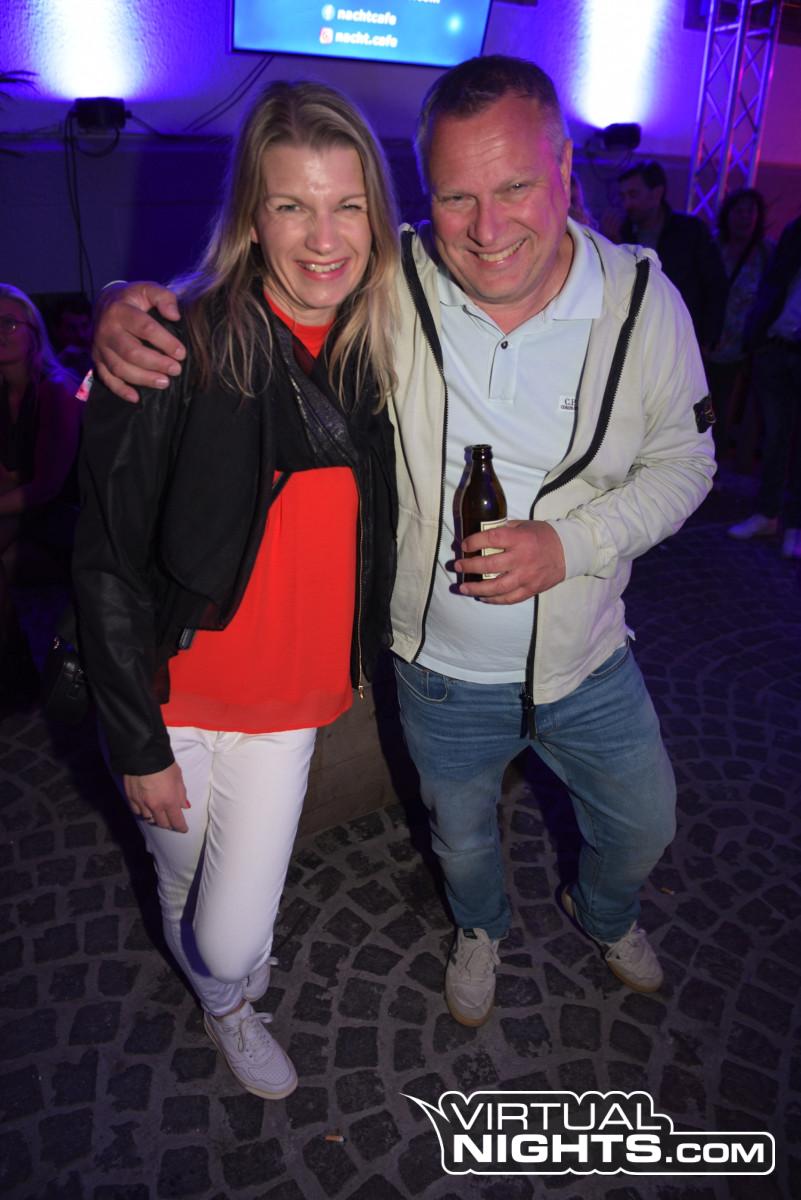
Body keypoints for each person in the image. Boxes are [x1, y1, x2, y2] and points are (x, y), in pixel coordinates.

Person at [91, 56, 716, 1030]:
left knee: (645, 824)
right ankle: (477, 931)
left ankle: (605, 912)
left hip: (587, 653)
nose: (488, 228)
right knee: (458, 840)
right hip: (436, 669)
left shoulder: (640, 302)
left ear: (564, 166)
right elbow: (257, 293)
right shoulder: (397, 285)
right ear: (425, 197)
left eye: (515, 186)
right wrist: (124, 304)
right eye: (457, 196)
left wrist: (575, 542)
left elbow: (687, 461)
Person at [72, 80, 398, 1098]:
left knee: (227, 933)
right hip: (171, 697)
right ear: (252, 218)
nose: (323, 239)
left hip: (287, 705)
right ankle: (230, 1006)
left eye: (347, 206)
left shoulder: (383, 346)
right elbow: (105, 556)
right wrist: (136, 744)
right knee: (178, 878)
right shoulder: (177, 346)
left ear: (378, 219)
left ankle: (222, 989)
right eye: (292, 205)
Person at [0, 284, 82, 708]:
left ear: (34, 333)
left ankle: (18, 678)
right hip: (27, 516)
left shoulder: (56, 390)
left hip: (70, 522)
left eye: (8, 323)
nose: (0, 332)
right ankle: (18, 677)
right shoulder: (4, 394)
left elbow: (48, 487)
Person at [728, 213, 801, 558]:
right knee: (775, 439)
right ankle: (768, 513)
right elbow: (773, 285)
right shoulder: (796, 231)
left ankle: (795, 524)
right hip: (776, 346)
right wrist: (757, 337)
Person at [617, 160, 727, 351]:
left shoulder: (690, 231)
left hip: (681, 337)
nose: (627, 204)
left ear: (656, 194)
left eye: (633, 195)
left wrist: (708, 338)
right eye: (623, 196)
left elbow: (715, 284)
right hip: (636, 339)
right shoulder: (622, 233)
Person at [705, 188, 773, 460]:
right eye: (739, 211)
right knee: (705, 403)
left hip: (744, 345)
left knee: (728, 405)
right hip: (710, 341)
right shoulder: (713, 247)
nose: (745, 217)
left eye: (750, 211)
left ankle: (720, 457)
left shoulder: (766, 253)